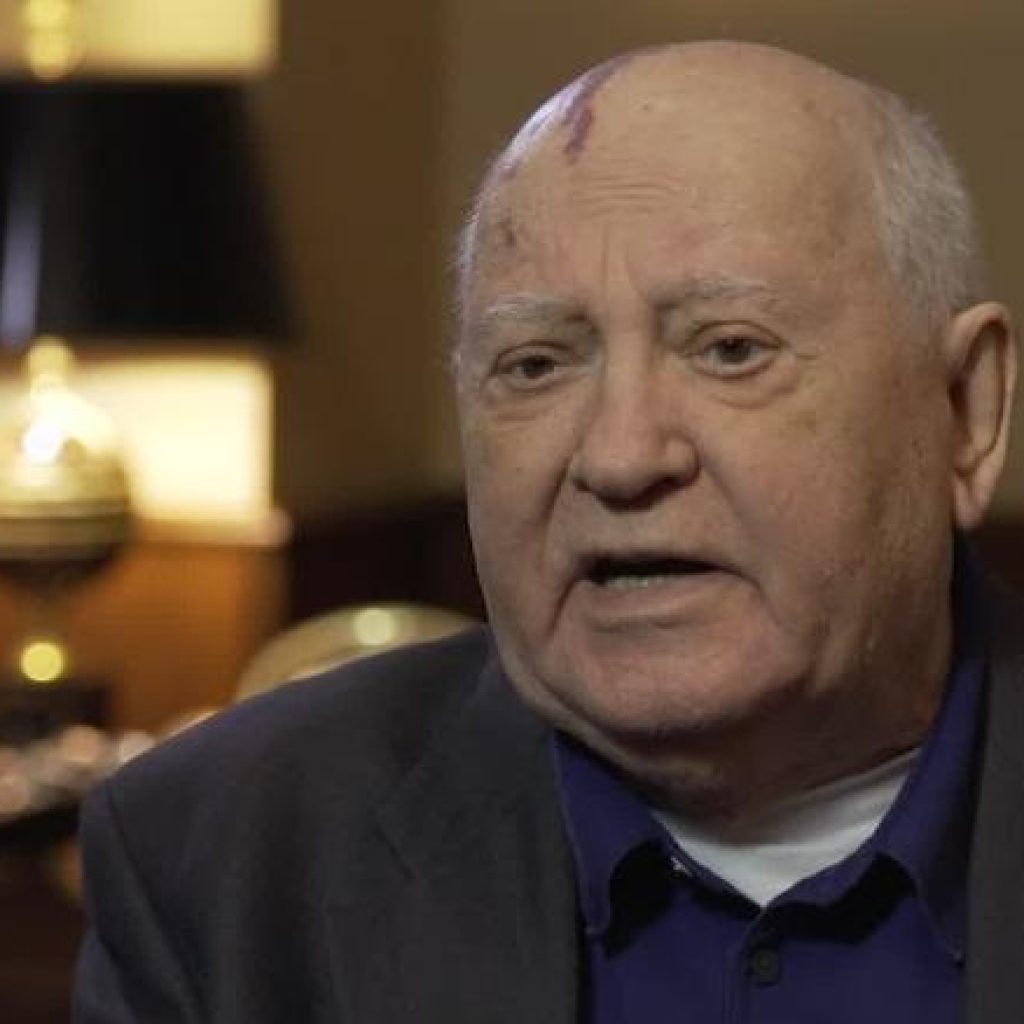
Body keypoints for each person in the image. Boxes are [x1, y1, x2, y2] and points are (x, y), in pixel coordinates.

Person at [74, 41, 1020, 1023]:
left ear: (966, 408)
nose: (620, 456)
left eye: (730, 349)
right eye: (534, 365)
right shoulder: (221, 861)